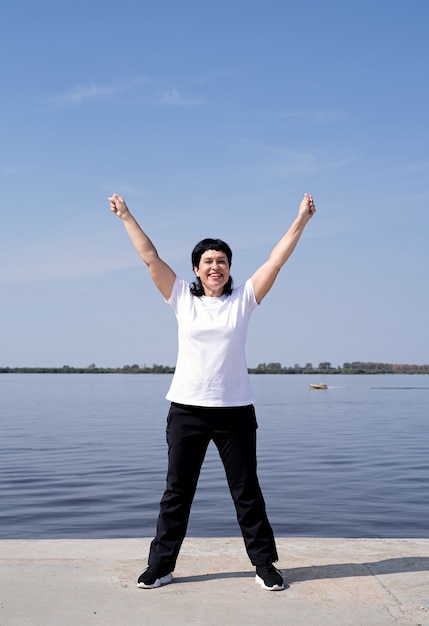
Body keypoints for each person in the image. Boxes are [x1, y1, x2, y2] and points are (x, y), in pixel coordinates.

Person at [109, 192, 316, 591]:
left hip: (235, 411)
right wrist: (127, 217)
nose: (215, 266)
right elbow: (150, 257)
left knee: (247, 492)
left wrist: (300, 220)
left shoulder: (244, 300)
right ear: (196, 269)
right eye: (208, 261)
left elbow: (276, 260)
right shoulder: (181, 299)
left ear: (229, 268)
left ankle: (264, 565)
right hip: (186, 409)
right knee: (177, 493)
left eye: (221, 261)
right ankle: (161, 566)